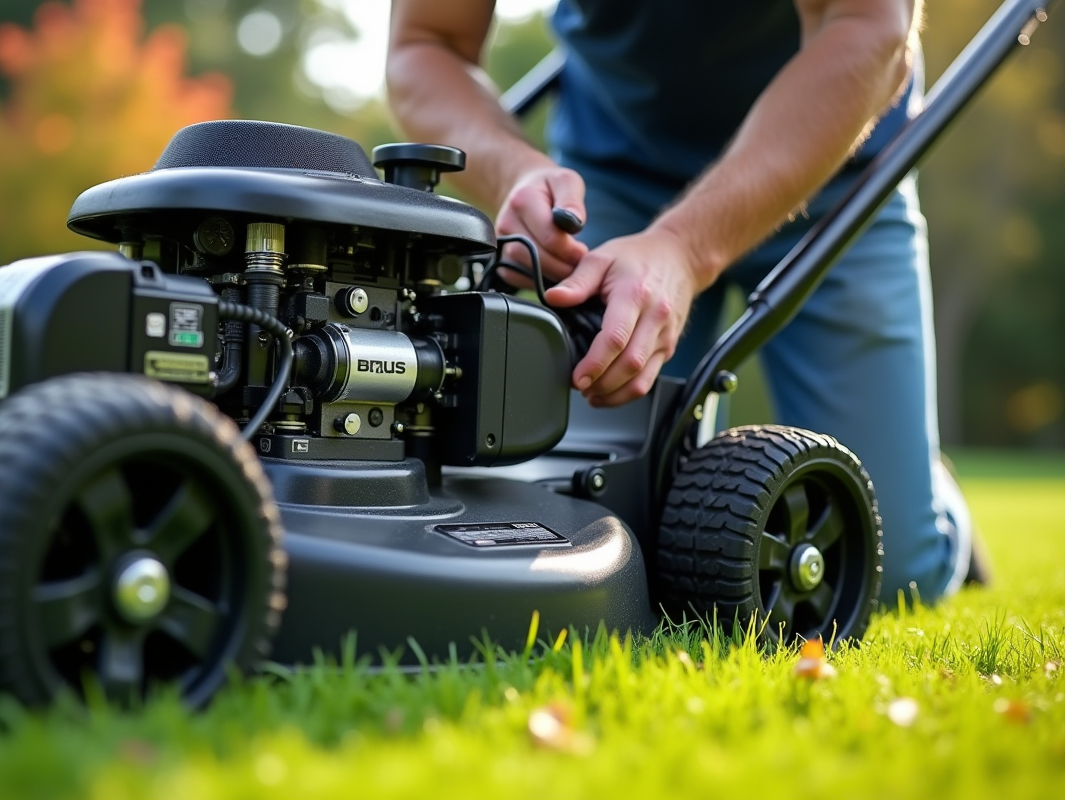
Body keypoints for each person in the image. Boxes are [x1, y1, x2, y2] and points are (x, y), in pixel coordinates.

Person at [386, 0, 984, 605]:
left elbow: (868, 26)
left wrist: (684, 245)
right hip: (612, 180)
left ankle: (926, 489)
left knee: (889, 572)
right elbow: (425, 44)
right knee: (600, 532)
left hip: (834, 172)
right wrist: (511, 169)